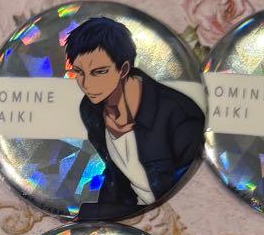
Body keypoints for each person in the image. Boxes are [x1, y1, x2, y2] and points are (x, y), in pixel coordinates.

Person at [63, 16, 204, 221]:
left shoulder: (179, 117)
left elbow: (191, 195)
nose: (86, 84)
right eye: (79, 72)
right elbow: (116, 176)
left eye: (99, 72)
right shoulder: (90, 109)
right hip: (131, 215)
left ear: (124, 69)